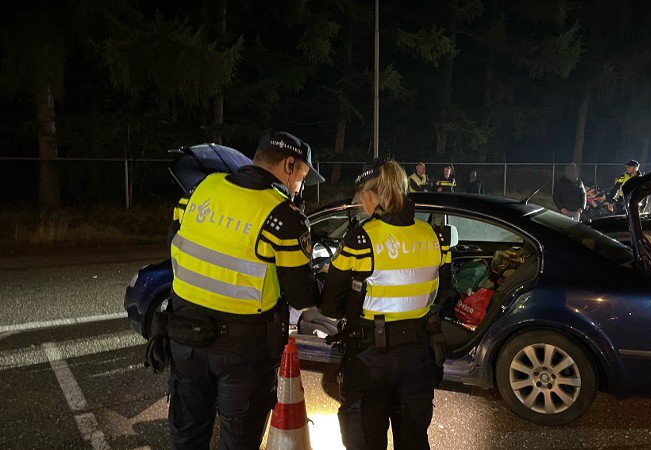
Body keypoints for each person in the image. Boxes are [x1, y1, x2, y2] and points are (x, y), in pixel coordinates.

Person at [160, 131, 324, 449]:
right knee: (238, 442)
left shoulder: (198, 191)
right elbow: (302, 295)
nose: (300, 186)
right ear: (289, 165)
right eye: (302, 177)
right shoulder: (284, 217)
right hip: (243, 353)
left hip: (185, 337)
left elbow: (175, 245)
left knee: (187, 436)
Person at [320, 159, 451, 449]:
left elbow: (330, 306)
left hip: (370, 358)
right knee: (414, 441)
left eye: (361, 199)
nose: (361, 205)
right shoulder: (433, 236)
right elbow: (443, 293)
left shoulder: (360, 239)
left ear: (370, 195)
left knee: (366, 441)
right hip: (419, 356)